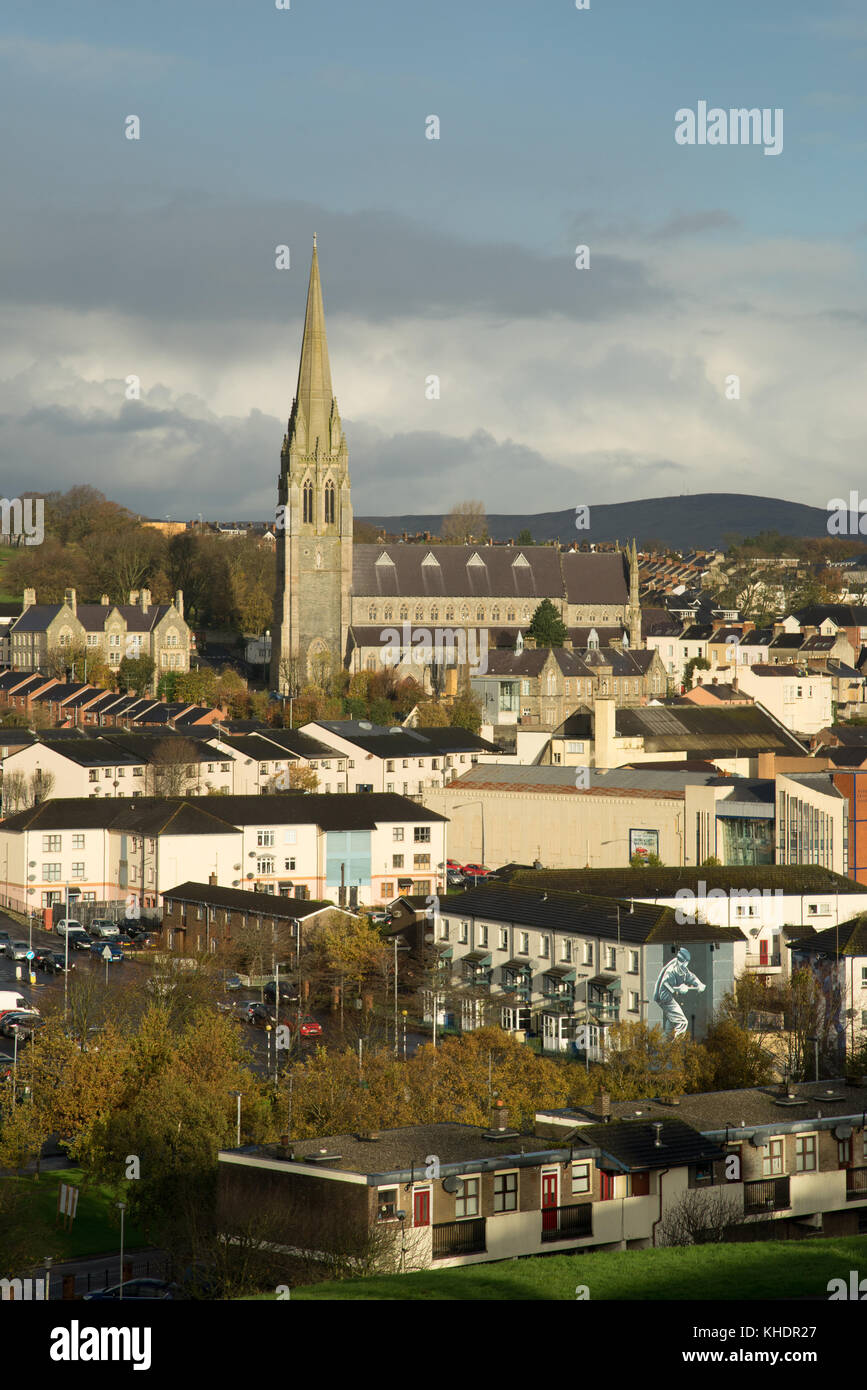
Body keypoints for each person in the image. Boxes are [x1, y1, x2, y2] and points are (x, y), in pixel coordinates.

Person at [653, 947, 705, 1037]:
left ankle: (665, 1043)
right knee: (682, 1022)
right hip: (665, 997)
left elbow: (690, 976)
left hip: (668, 997)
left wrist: (699, 984)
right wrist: (678, 988)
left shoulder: (682, 968)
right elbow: (667, 985)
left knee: (673, 1021)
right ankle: (677, 1046)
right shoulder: (670, 971)